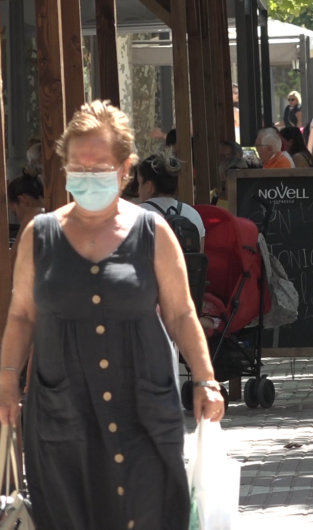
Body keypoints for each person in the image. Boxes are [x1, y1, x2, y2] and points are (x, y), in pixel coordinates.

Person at [0, 100, 224, 529]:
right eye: (78, 168)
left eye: (99, 166)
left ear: (124, 170)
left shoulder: (152, 232)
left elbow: (180, 314)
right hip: (62, 416)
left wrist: (206, 380)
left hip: (143, 412)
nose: (88, 176)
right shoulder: (38, 235)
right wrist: (8, 379)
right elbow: (22, 315)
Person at [137, 149, 206, 251]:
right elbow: (199, 256)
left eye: (139, 183)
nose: (138, 190)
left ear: (149, 187)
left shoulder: (136, 214)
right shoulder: (194, 214)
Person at [7, 174, 45, 269]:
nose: (19, 221)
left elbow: (11, 268)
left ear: (23, 200)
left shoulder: (35, 214)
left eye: (15, 213)